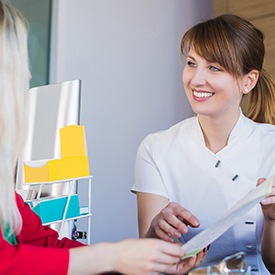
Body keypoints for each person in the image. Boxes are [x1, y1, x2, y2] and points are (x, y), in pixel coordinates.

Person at [0, 1, 199, 274]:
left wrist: (143, 258)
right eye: (19, 61)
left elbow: (44, 243)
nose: (28, 74)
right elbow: (7, 261)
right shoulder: (155, 146)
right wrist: (113, 257)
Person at [132, 14, 275, 274]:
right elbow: (151, 262)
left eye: (214, 68)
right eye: (191, 63)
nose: (196, 80)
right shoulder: (155, 148)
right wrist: (156, 229)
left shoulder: (271, 146)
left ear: (248, 81)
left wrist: (273, 219)